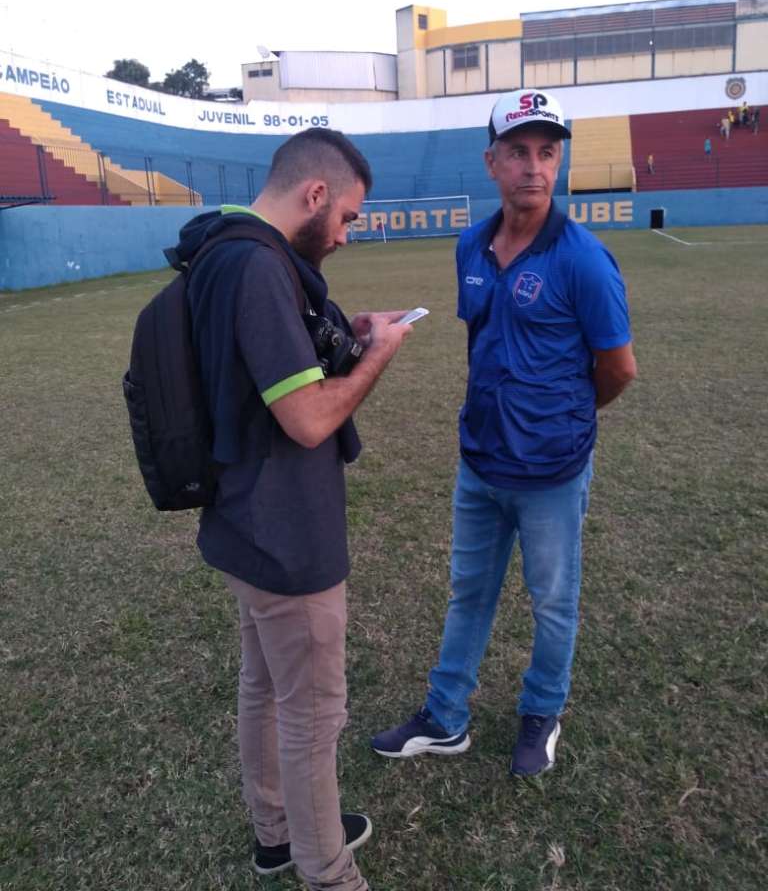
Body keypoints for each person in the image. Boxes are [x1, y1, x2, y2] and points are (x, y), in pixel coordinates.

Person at [172, 128, 413, 891]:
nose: (345, 234)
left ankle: (278, 832)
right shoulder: (258, 270)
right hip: (285, 537)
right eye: (344, 217)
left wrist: (349, 332)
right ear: (314, 195)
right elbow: (308, 418)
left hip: (243, 524)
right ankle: (327, 872)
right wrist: (378, 356)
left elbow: (270, 369)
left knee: (266, 691)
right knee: (312, 716)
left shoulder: (221, 249)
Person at [371, 89, 636, 778]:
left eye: (548, 152)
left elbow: (618, 369)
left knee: (553, 602)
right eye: (518, 152)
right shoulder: (470, 245)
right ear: (492, 162)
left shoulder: (583, 259)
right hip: (480, 465)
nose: (534, 167)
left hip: (552, 473)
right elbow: (481, 342)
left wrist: (565, 423)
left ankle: (541, 712)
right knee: (469, 594)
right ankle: (446, 717)